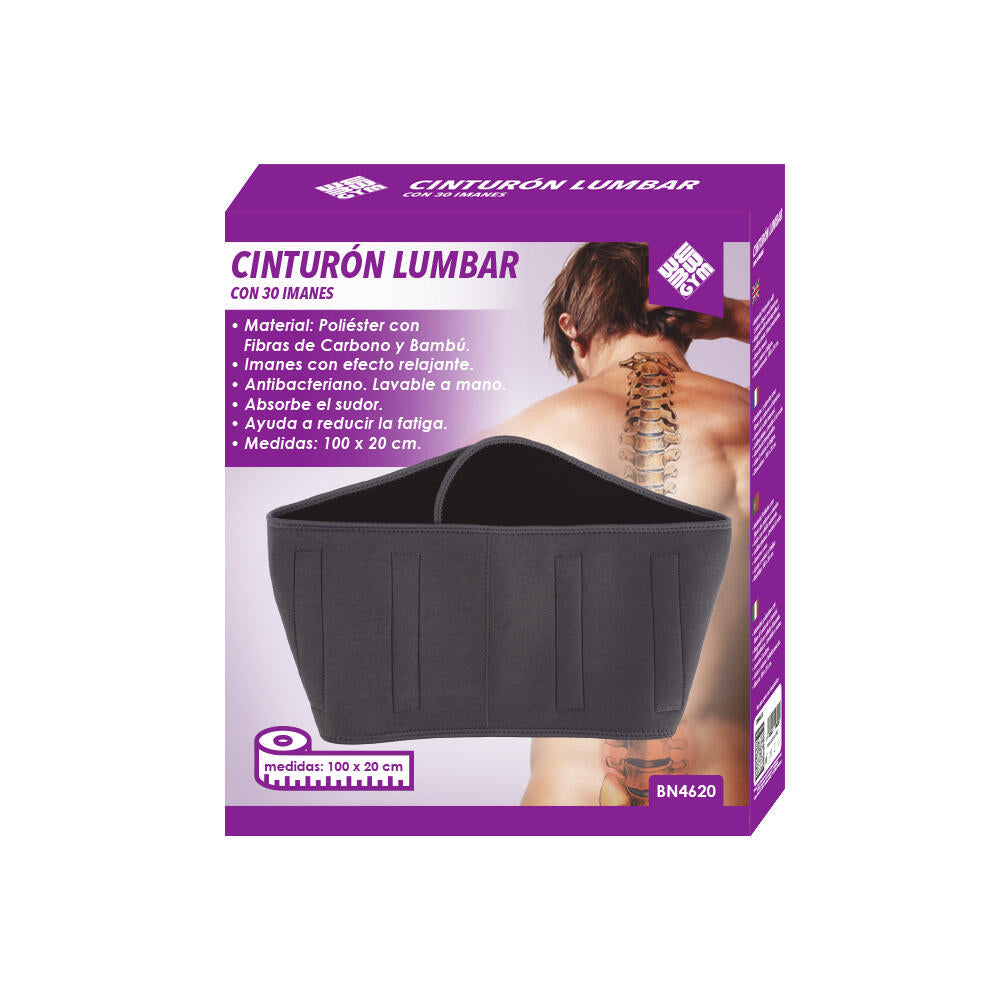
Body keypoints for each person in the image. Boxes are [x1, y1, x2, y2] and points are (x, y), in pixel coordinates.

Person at [487, 242, 752, 806]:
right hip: (716, 795)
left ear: (572, 330)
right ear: (688, 321)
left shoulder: (511, 443)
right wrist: (738, 318)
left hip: (569, 799)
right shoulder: (763, 426)